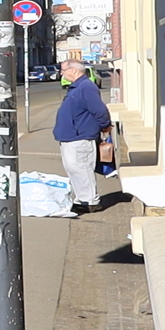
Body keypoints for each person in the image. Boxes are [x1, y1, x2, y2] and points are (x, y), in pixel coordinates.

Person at [54, 58, 111, 215]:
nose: (61, 73)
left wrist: (105, 126)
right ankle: (82, 199)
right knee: (73, 169)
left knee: (81, 168)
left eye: (63, 70)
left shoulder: (86, 87)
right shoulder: (76, 87)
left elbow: (100, 111)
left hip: (80, 137)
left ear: (74, 70)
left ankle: (90, 202)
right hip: (71, 136)